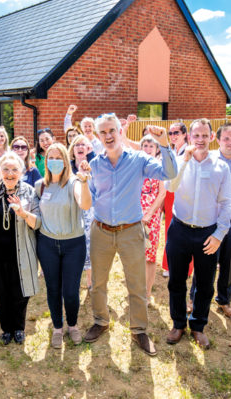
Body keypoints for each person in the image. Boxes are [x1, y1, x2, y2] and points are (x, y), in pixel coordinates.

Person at [84, 114, 177, 356]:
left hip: (131, 231)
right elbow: (91, 197)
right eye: (103, 132)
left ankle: (139, 330)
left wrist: (165, 144)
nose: (108, 136)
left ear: (120, 131)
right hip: (101, 230)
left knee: (136, 284)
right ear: (98, 136)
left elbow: (169, 173)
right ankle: (101, 321)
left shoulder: (138, 160)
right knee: (98, 284)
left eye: (112, 130)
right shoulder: (95, 164)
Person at [164, 119, 231, 349]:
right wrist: (184, 161)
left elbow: (227, 202)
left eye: (205, 135)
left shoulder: (220, 167)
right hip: (180, 229)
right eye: (196, 136)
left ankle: (198, 326)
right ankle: (178, 324)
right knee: (176, 280)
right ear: (189, 137)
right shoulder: (179, 160)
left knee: (204, 284)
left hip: (207, 233)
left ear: (212, 137)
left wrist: (219, 235)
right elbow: (170, 187)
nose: (201, 140)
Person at [188, 123, 231, 319]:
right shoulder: (206, 160)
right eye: (226, 138)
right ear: (217, 140)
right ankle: (195, 298)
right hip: (209, 221)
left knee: (229, 263)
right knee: (204, 262)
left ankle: (224, 300)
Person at [36, 143, 92, 348]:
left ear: (66, 161)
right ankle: (57, 328)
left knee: (70, 290)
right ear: (46, 161)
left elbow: (85, 204)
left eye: (59, 157)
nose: (55, 161)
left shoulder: (75, 182)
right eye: (51, 157)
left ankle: (73, 325)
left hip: (73, 245)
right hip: (47, 244)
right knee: (52, 288)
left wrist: (85, 183)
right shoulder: (40, 185)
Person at [0, 152, 40, 346]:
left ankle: (18, 327)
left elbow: (38, 223)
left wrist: (23, 213)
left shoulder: (29, 192)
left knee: (20, 291)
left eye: (14, 169)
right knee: (0, 291)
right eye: (5, 169)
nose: (9, 173)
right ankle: (6, 328)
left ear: (22, 172)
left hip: (21, 251)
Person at [139, 135, 166, 306]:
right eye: (145, 145)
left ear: (157, 149)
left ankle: (147, 293)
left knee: (149, 256)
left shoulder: (160, 168)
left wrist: (149, 213)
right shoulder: (136, 167)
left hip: (152, 217)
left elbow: (162, 194)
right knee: (135, 255)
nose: (148, 148)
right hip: (134, 216)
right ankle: (136, 291)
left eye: (151, 146)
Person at [67, 134, 95, 289]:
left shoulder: (94, 165)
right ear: (73, 149)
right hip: (71, 211)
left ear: (88, 148)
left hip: (90, 211)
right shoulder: (68, 167)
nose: (79, 147)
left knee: (89, 246)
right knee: (74, 246)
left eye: (83, 144)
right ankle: (74, 280)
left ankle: (90, 281)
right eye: (76, 145)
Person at [161, 122, 188, 278]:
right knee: (170, 230)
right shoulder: (171, 150)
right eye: (170, 133)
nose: (173, 136)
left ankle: (184, 266)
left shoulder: (188, 151)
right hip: (170, 192)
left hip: (183, 193)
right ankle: (169, 264)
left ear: (184, 134)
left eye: (176, 132)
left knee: (182, 230)